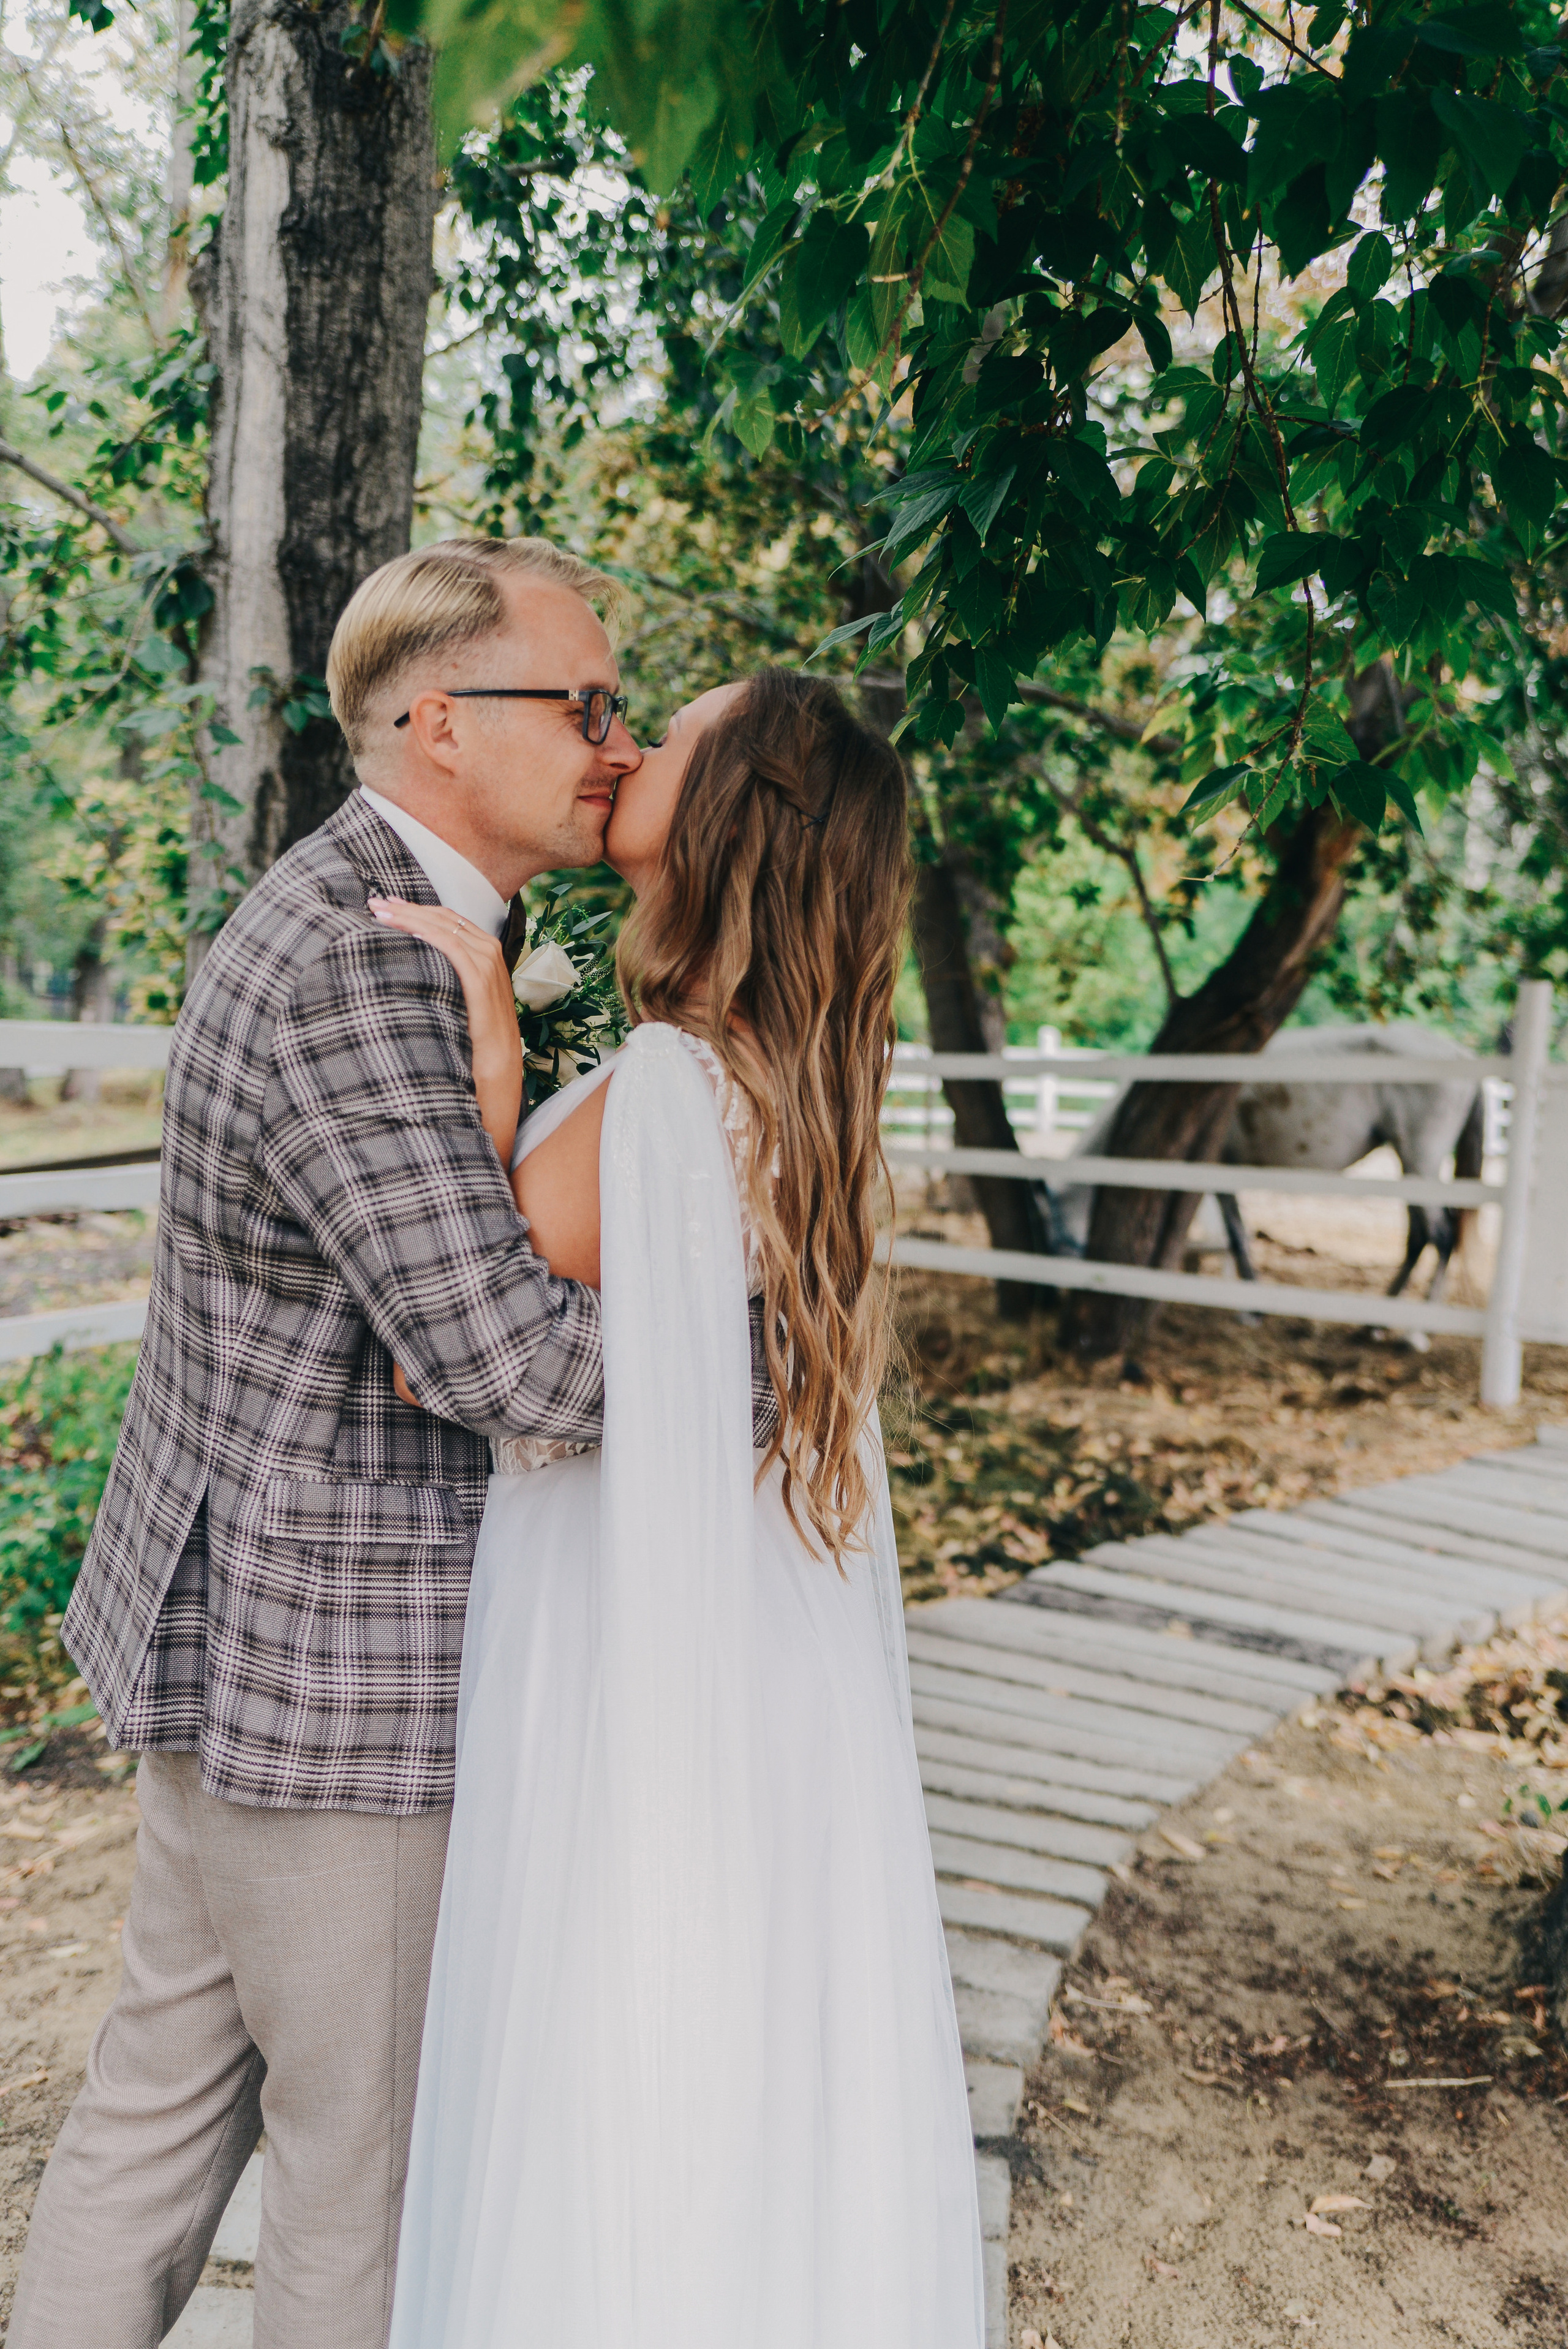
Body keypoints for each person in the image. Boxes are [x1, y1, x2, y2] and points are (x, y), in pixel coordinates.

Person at [6, 537, 779, 2349]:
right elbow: (507, 1359)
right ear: (442, 723)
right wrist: (751, 1358)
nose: (610, 739)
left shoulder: (402, 926)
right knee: (362, 2176)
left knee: (156, 2110)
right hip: (333, 1679)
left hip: (256, 1638)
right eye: (580, 701)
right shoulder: (367, 968)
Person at [371, 668, 985, 2348]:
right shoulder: (787, 1079)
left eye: (670, 736)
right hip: (766, 1655)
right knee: (743, 2038)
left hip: (631, 1642)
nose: (622, 746)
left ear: (733, 816)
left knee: (617, 2037)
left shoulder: (667, 1085)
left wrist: (496, 1050)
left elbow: (456, 1352)